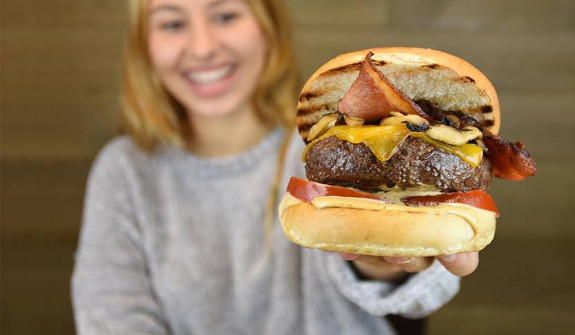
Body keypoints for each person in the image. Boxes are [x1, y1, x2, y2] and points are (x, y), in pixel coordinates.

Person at [71, 0, 481, 334]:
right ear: (145, 44)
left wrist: (383, 264)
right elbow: (111, 319)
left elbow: (412, 303)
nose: (202, 47)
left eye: (226, 15)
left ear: (268, 25)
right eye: (172, 23)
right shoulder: (124, 170)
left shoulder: (312, 155)